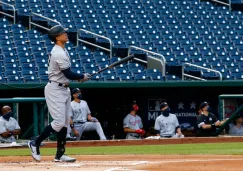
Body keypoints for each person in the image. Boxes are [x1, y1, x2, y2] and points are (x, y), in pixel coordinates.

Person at [28, 25, 91, 162]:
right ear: (57, 37)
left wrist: (80, 77)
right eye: (63, 33)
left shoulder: (62, 50)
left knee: (64, 123)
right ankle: (35, 142)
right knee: (58, 122)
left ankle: (60, 154)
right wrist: (82, 76)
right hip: (55, 89)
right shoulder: (58, 52)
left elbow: (67, 74)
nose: (66, 34)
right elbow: (68, 73)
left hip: (64, 88)